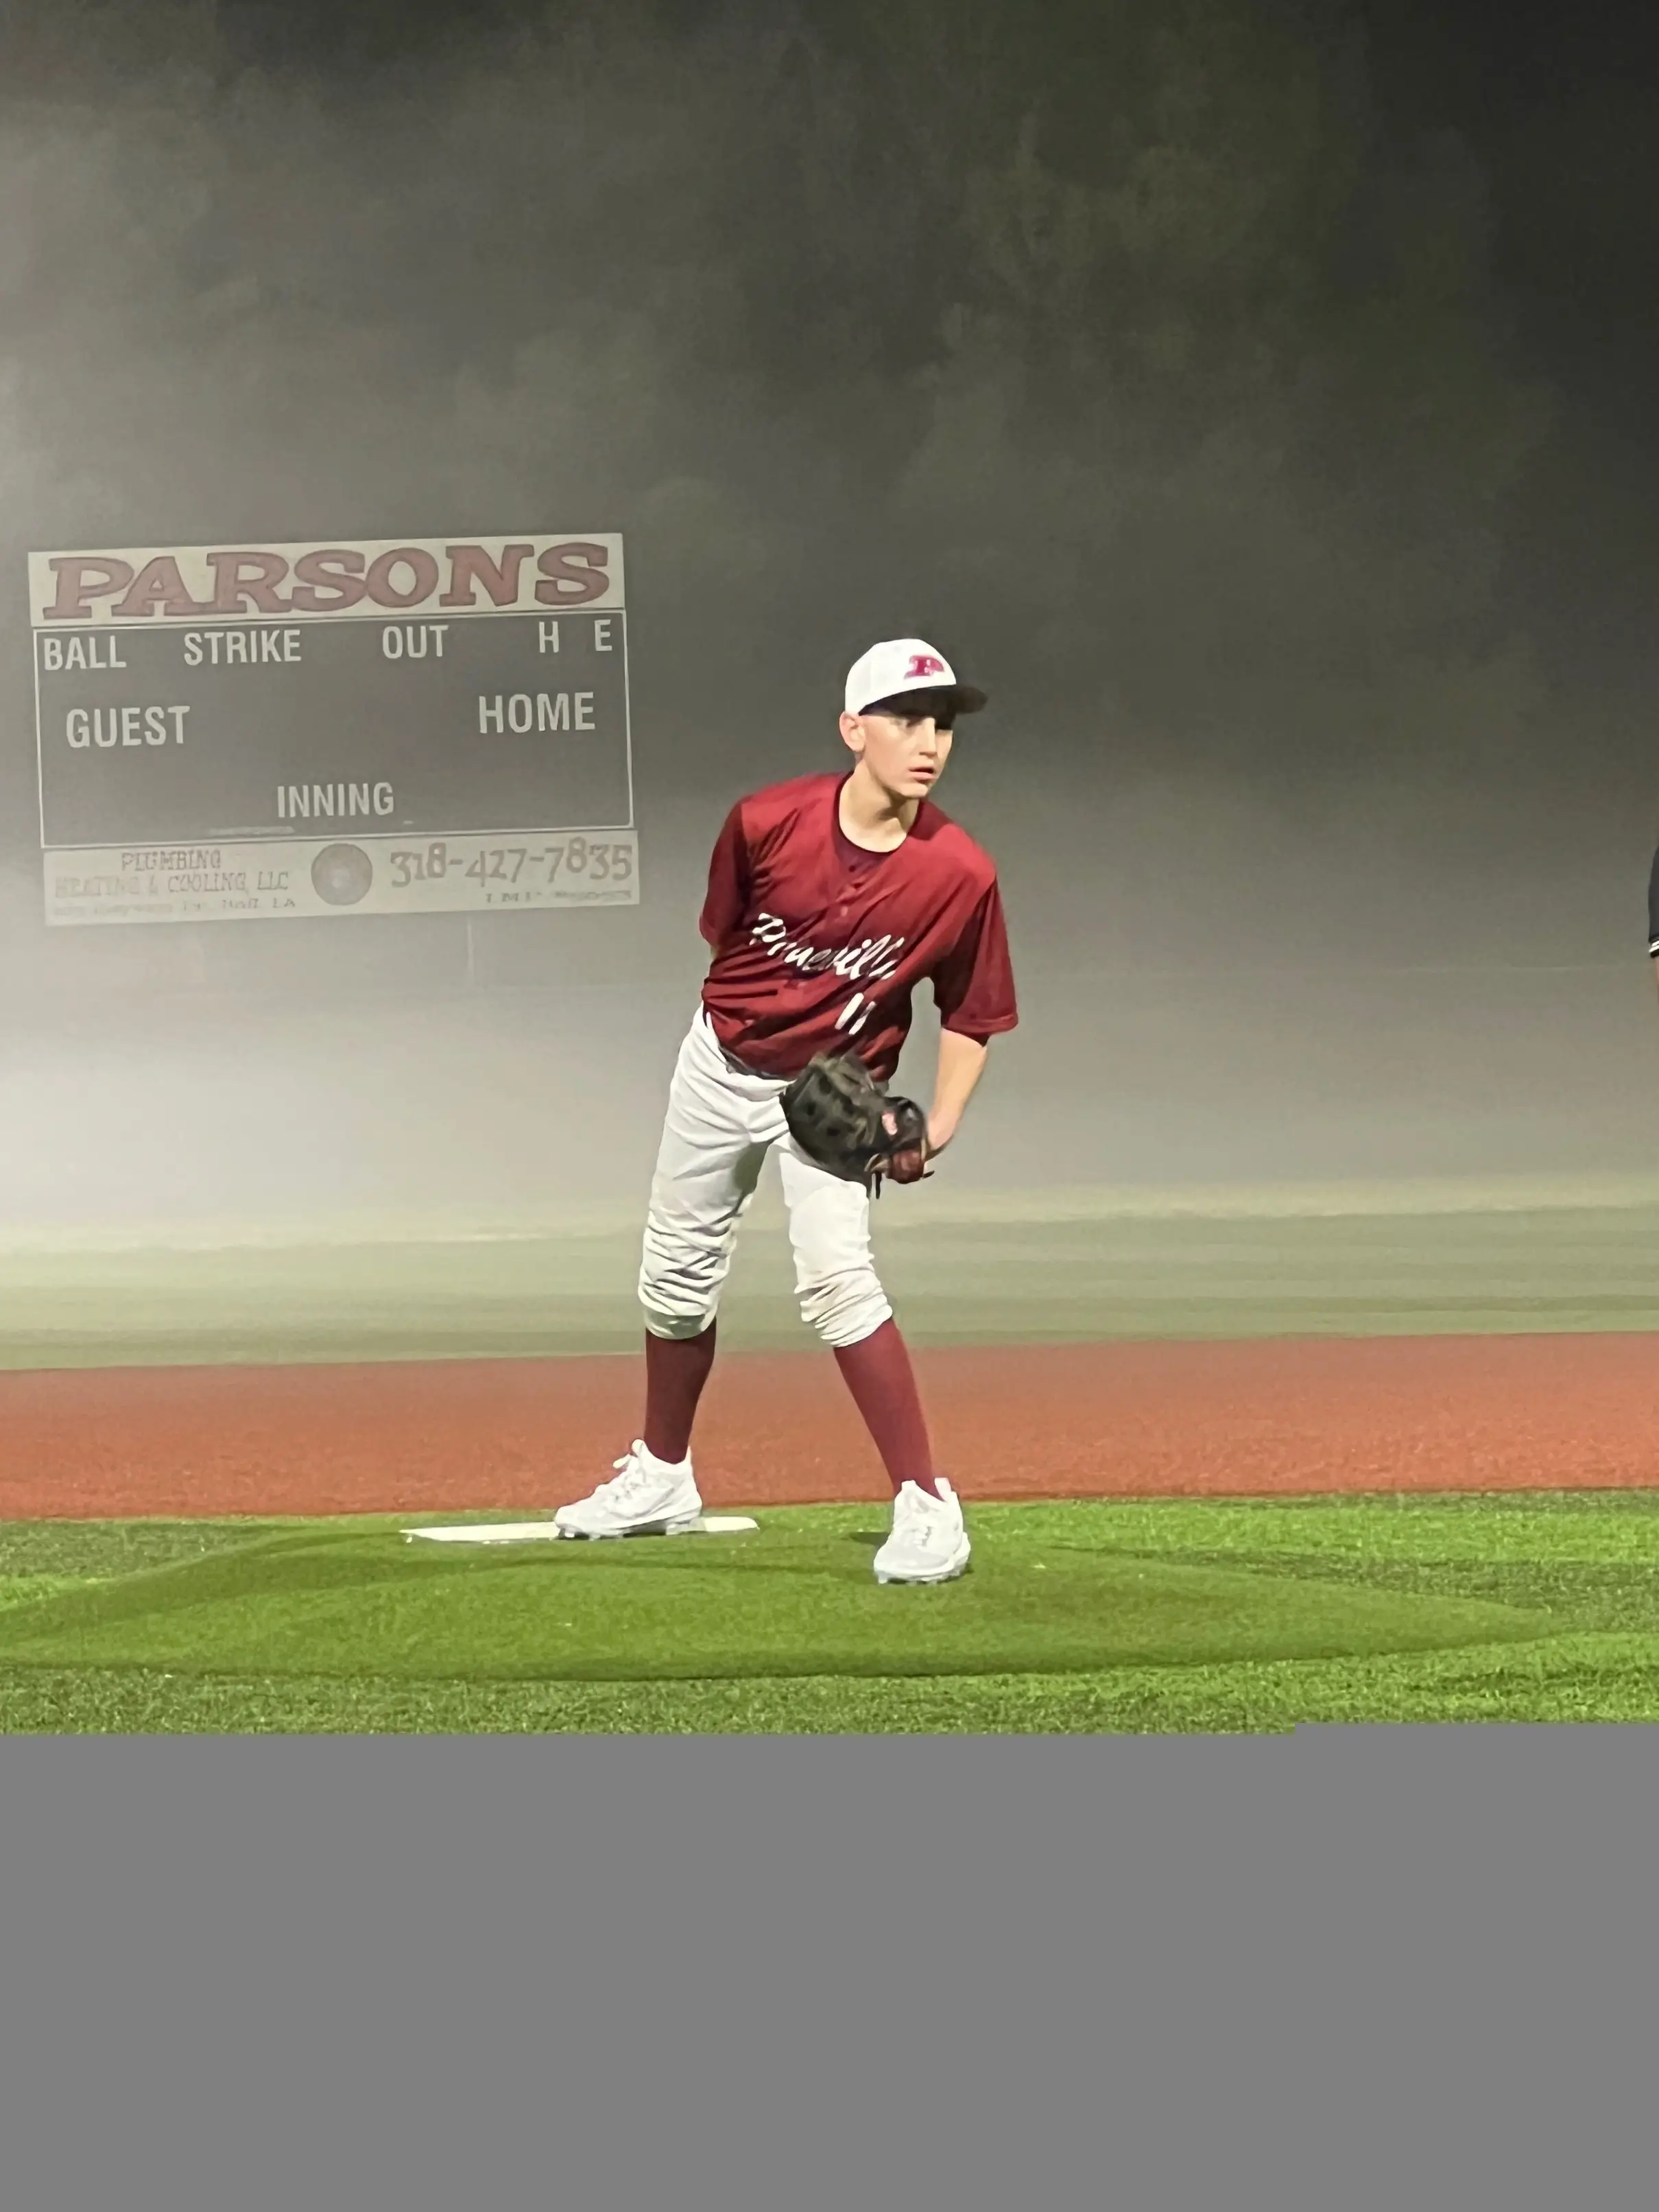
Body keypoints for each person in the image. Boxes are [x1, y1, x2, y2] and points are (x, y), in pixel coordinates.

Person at [553, 638, 1018, 1582]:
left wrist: (938, 1124)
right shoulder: (764, 823)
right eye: (904, 720)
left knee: (837, 1281)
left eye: (941, 725)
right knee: (672, 1280)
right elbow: (724, 940)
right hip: (718, 1067)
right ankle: (663, 1476)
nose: (928, 742)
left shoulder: (959, 873)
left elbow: (973, 1013)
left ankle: (926, 1503)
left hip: (833, 1097)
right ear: (853, 729)